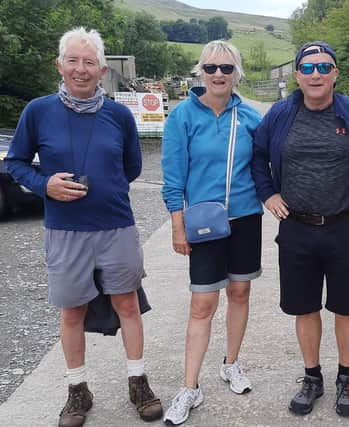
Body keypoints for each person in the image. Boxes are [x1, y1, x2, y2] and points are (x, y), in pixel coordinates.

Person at [6, 27, 162, 427]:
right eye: (72, 61)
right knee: (71, 311)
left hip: (116, 226)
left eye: (89, 62)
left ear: (102, 69)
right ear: (60, 65)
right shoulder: (38, 111)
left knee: (127, 304)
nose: (80, 69)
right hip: (64, 230)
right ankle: (77, 390)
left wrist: (105, 190)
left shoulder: (119, 115)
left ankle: (137, 382)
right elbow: (16, 163)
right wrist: (46, 186)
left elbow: (133, 167)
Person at [252, 41, 349, 417]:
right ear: (297, 75)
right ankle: (312, 377)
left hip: (345, 228)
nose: (316, 74)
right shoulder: (280, 114)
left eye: (324, 67)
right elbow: (257, 156)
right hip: (296, 228)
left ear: (336, 73)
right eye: (308, 68)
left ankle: (346, 377)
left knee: (346, 308)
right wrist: (268, 194)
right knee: (304, 308)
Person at [161, 40, 263, 426]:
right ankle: (190, 386)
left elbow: (267, 166)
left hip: (245, 219)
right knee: (202, 304)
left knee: (240, 291)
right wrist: (177, 225)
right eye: (211, 68)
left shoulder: (251, 118)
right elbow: (173, 178)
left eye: (227, 68)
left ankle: (231, 364)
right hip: (204, 223)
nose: (218, 74)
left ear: (237, 73)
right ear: (200, 72)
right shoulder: (183, 117)